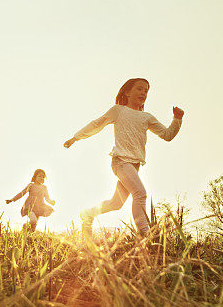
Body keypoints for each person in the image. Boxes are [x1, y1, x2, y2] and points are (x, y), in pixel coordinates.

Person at [63, 78, 184, 237]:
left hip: (134, 165)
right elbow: (96, 124)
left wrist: (177, 119)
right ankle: (146, 235)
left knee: (116, 203)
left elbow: (167, 135)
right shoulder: (118, 111)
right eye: (140, 89)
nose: (144, 93)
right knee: (140, 193)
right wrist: (76, 137)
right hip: (120, 162)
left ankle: (88, 214)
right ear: (127, 92)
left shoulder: (147, 117)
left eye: (146, 91)